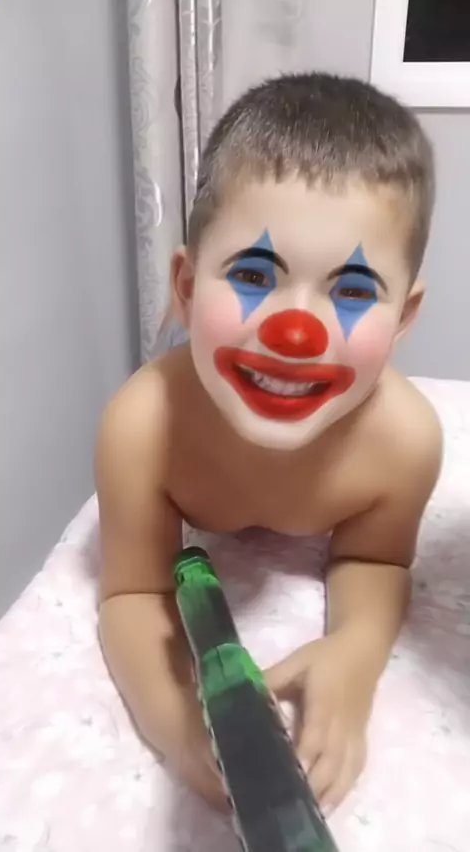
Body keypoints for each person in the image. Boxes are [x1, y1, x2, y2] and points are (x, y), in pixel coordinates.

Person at [95, 73, 442, 815]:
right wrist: (179, 727)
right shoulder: (142, 428)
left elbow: (374, 558)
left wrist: (353, 657)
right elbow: (133, 591)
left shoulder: (404, 443)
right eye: (254, 274)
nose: (296, 333)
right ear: (188, 287)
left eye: (353, 289)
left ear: (404, 318)